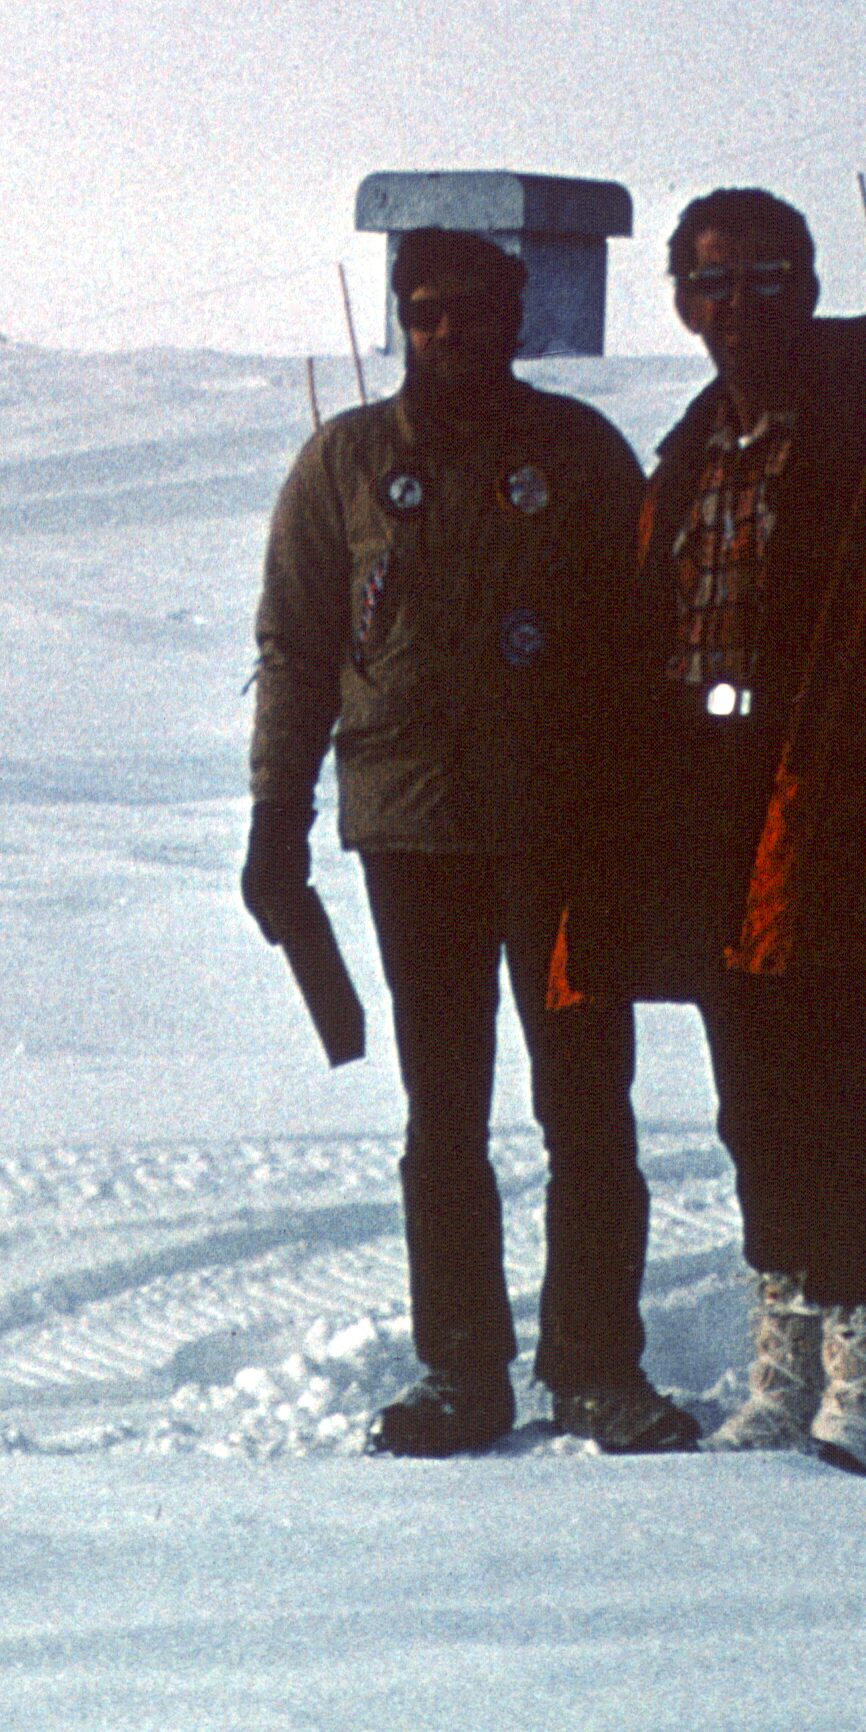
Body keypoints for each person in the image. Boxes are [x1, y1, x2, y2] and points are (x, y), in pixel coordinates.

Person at [247, 228, 684, 1457]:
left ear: (516, 317)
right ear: (404, 320)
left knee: (588, 1105)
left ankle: (596, 1366)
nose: (452, 334)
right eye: (429, 312)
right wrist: (276, 818)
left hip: (565, 832)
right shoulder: (345, 463)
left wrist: (649, 810)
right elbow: (295, 643)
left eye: (476, 311)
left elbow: (643, 637)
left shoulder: (580, 455)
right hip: (414, 832)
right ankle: (460, 1372)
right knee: (445, 1112)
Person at [598, 187, 866, 1471]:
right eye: (713, 284)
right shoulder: (694, 449)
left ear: (811, 285)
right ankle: (782, 1365)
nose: (738, 308)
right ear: (679, 301)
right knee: (752, 1098)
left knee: (845, 1091)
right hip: (710, 805)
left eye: (766, 279)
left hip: (839, 802)